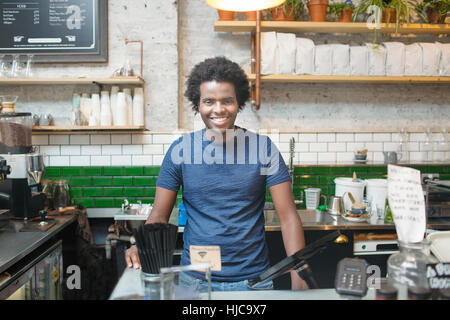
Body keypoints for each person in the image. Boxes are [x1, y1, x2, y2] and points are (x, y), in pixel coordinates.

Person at [125, 56, 308, 291]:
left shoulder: (264, 149)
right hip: (195, 282)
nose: (218, 109)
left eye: (227, 101)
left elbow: (289, 218)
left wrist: (299, 275)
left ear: (238, 102)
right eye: (209, 101)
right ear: (197, 104)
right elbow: (159, 215)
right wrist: (141, 245)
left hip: (254, 281)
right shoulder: (180, 151)